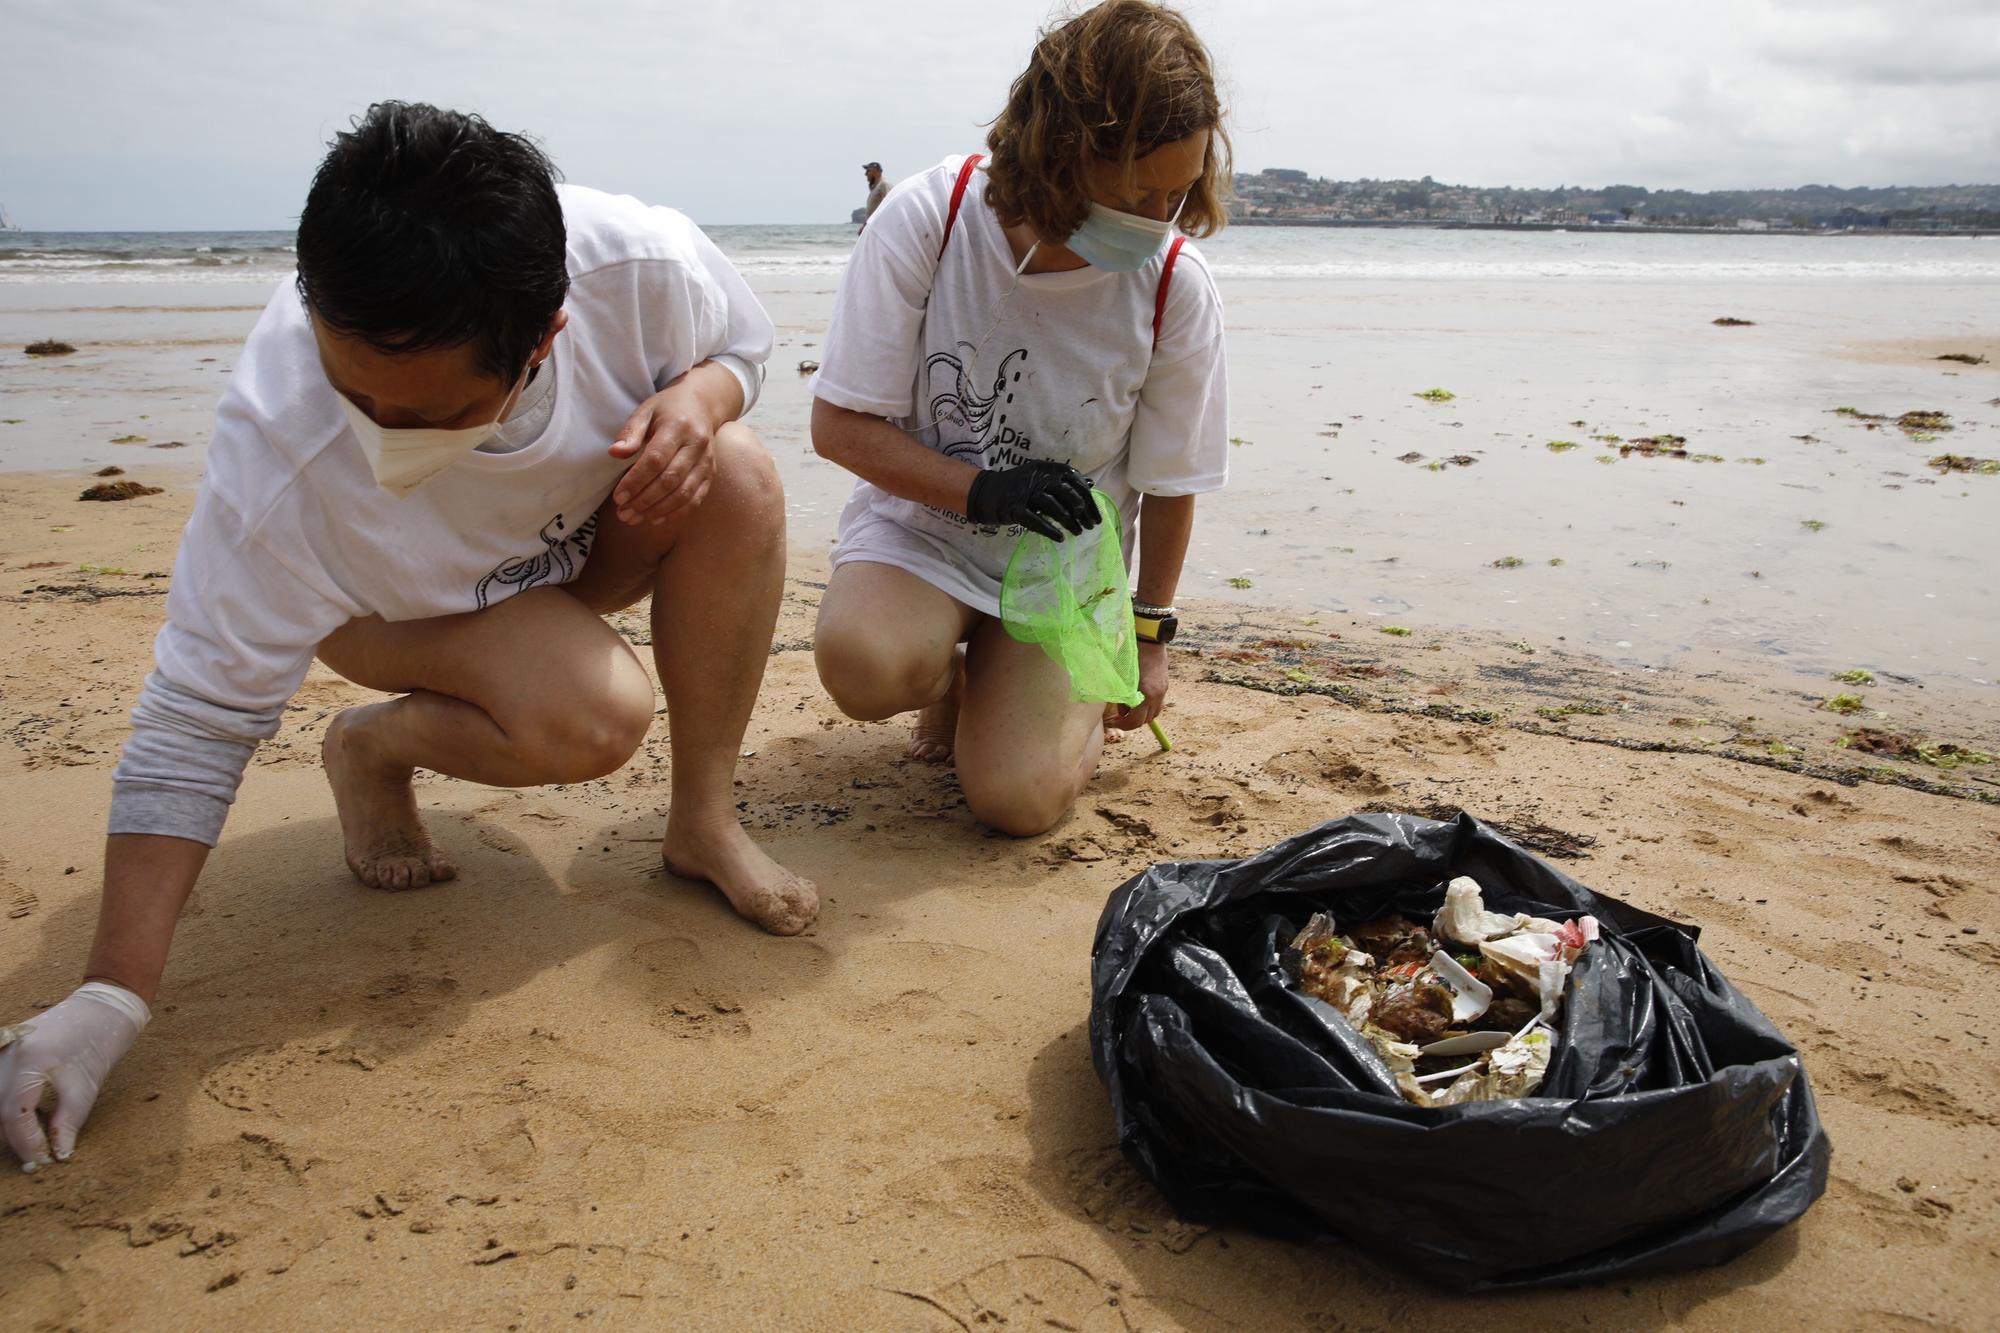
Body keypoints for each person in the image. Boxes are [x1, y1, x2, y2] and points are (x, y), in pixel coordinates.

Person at [1, 102, 819, 1172]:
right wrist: (112, 993)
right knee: (596, 716)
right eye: (355, 393)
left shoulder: (638, 265)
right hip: (390, 613)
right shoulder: (277, 453)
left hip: (572, 550)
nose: (382, 432)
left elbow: (742, 344)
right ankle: (373, 744)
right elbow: (195, 719)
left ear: (545, 337)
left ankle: (703, 822)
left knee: (742, 473)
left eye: (433, 412)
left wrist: (701, 399)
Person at [810, 0, 1231, 836]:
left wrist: (1149, 637)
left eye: (1177, 195)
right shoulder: (930, 220)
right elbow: (841, 428)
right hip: (927, 537)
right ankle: (952, 680)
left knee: (1018, 802)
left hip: (1064, 575)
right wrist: (985, 491)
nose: (1157, 222)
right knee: (863, 669)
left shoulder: (1174, 291)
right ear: (1063, 148)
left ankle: (1024, 703)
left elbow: (1171, 480)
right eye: (1139, 191)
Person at [860, 161, 891, 232]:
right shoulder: (875, 189)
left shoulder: (883, 185)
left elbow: (889, 206)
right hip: (873, 229)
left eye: (868, 171)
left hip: (881, 229)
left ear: (876, 172)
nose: (865, 174)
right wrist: (865, 225)